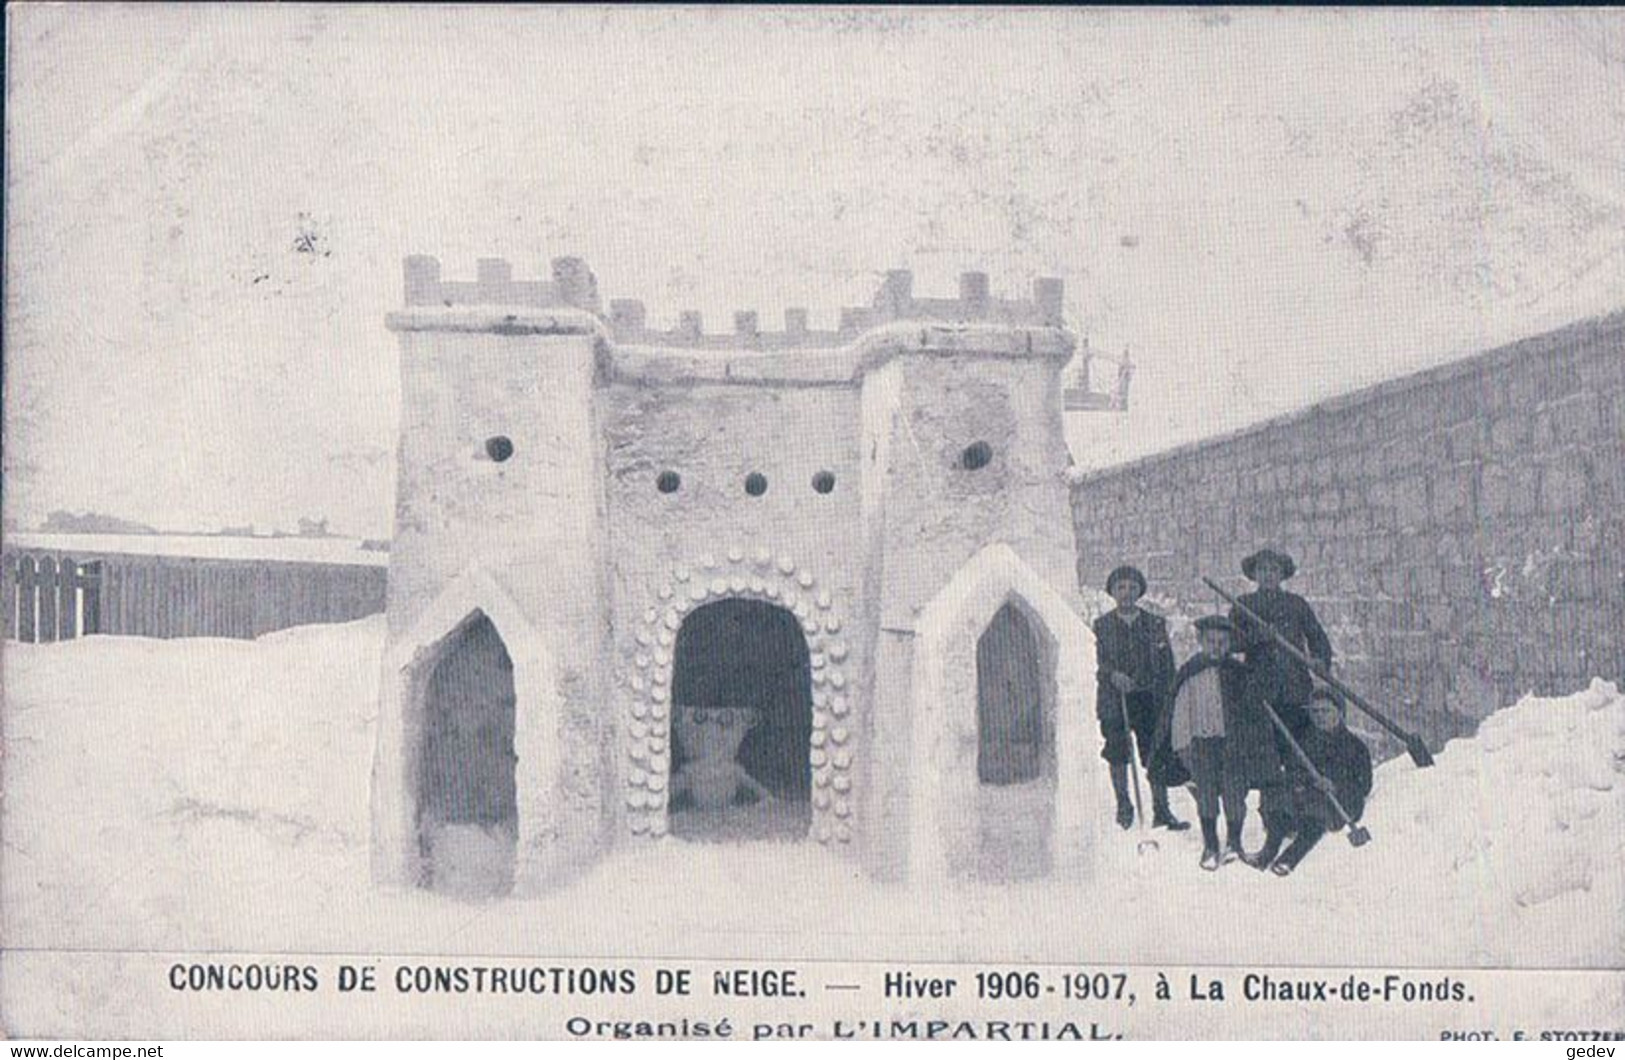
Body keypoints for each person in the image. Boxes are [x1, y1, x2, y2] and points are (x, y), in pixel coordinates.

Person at [1155, 616, 1283, 871]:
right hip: (1201, 745)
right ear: (1200, 642)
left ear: (1230, 644)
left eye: (1222, 642)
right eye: (1210, 641)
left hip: (1233, 745)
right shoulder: (1190, 672)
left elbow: (1253, 704)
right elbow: (1180, 713)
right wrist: (1183, 747)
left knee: (1235, 793)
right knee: (1207, 794)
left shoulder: (1238, 673)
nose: (1216, 647)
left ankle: (1234, 843)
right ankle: (1211, 845)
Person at [1093, 565, 1187, 831]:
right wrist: (1112, 675)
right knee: (1118, 752)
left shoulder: (1155, 623)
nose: (1126, 592)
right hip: (1115, 700)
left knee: (1155, 752)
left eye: (1132, 587)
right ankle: (1124, 805)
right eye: (1120, 587)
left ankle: (1162, 809)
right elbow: (1096, 661)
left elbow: (1166, 663)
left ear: (1140, 591)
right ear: (1112, 592)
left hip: (1148, 700)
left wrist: (1164, 694)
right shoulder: (1101, 626)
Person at [1261, 689, 1373, 876]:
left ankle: (1289, 859)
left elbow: (1364, 784)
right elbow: (1292, 768)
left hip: (1339, 801)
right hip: (1306, 792)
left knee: (1316, 811)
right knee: (1276, 796)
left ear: (1339, 712)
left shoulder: (1355, 746)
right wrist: (1304, 781)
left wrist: (1334, 785)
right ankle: (1268, 851)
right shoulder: (1303, 742)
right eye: (1315, 711)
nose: (1320, 716)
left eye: (1325, 711)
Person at [1228, 547, 1334, 738]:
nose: (1268, 575)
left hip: (1295, 686)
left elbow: (1317, 637)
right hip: (1258, 690)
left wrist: (1320, 660)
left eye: (1273, 570)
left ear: (1282, 574)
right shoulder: (1243, 604)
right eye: (1262, 570)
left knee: (1299, 741)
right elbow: (1230, 643)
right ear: (1254, 574)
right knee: (1264, 744)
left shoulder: (1296, 604)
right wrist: (1257, 636)